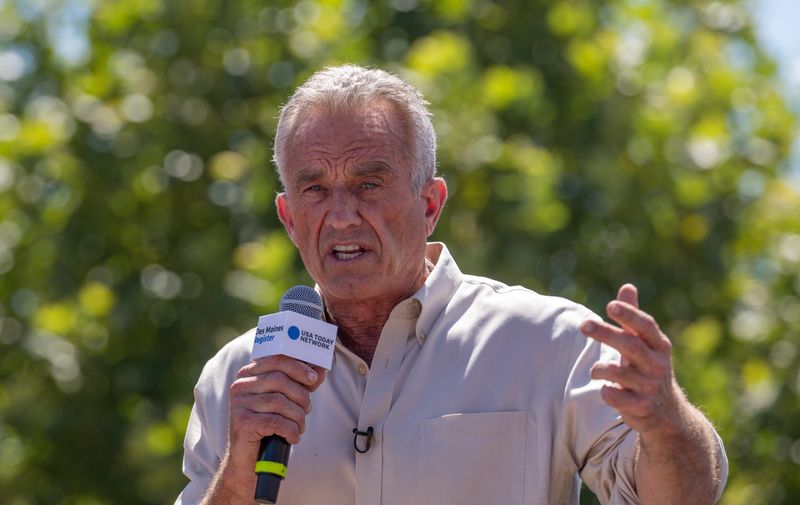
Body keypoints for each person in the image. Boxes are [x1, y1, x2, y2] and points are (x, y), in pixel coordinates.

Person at [175, 65, 727, 505]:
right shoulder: (238, 378)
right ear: (289, 218)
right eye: (314, 189)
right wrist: (238, 478)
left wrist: (666, 422)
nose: (341, 216)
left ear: (431, 204)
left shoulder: (547, 341)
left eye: (369, 183)